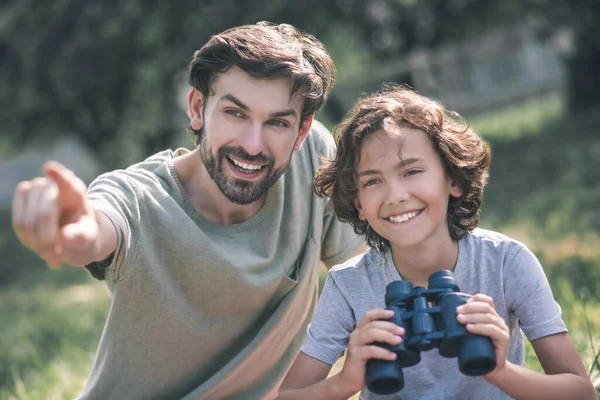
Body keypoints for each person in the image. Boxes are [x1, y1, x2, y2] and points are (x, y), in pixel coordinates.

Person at [11, 22, 366, 400]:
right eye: (234, 113)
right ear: (198, 109)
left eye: (277, 122)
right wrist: (74, 228)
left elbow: (366, 276)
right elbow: (100, 224)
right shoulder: (138, 198)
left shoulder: (312, 156)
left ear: (301, 131)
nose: (252, 144)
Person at [275, 85, 596, 399]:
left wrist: (501, 371)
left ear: (453, 179)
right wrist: (346, 381)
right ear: (358, 203)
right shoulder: (348, 286)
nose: (396, 195)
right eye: (373, 181)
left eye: (412, 171)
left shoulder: (505, 263)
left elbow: (581, 393)